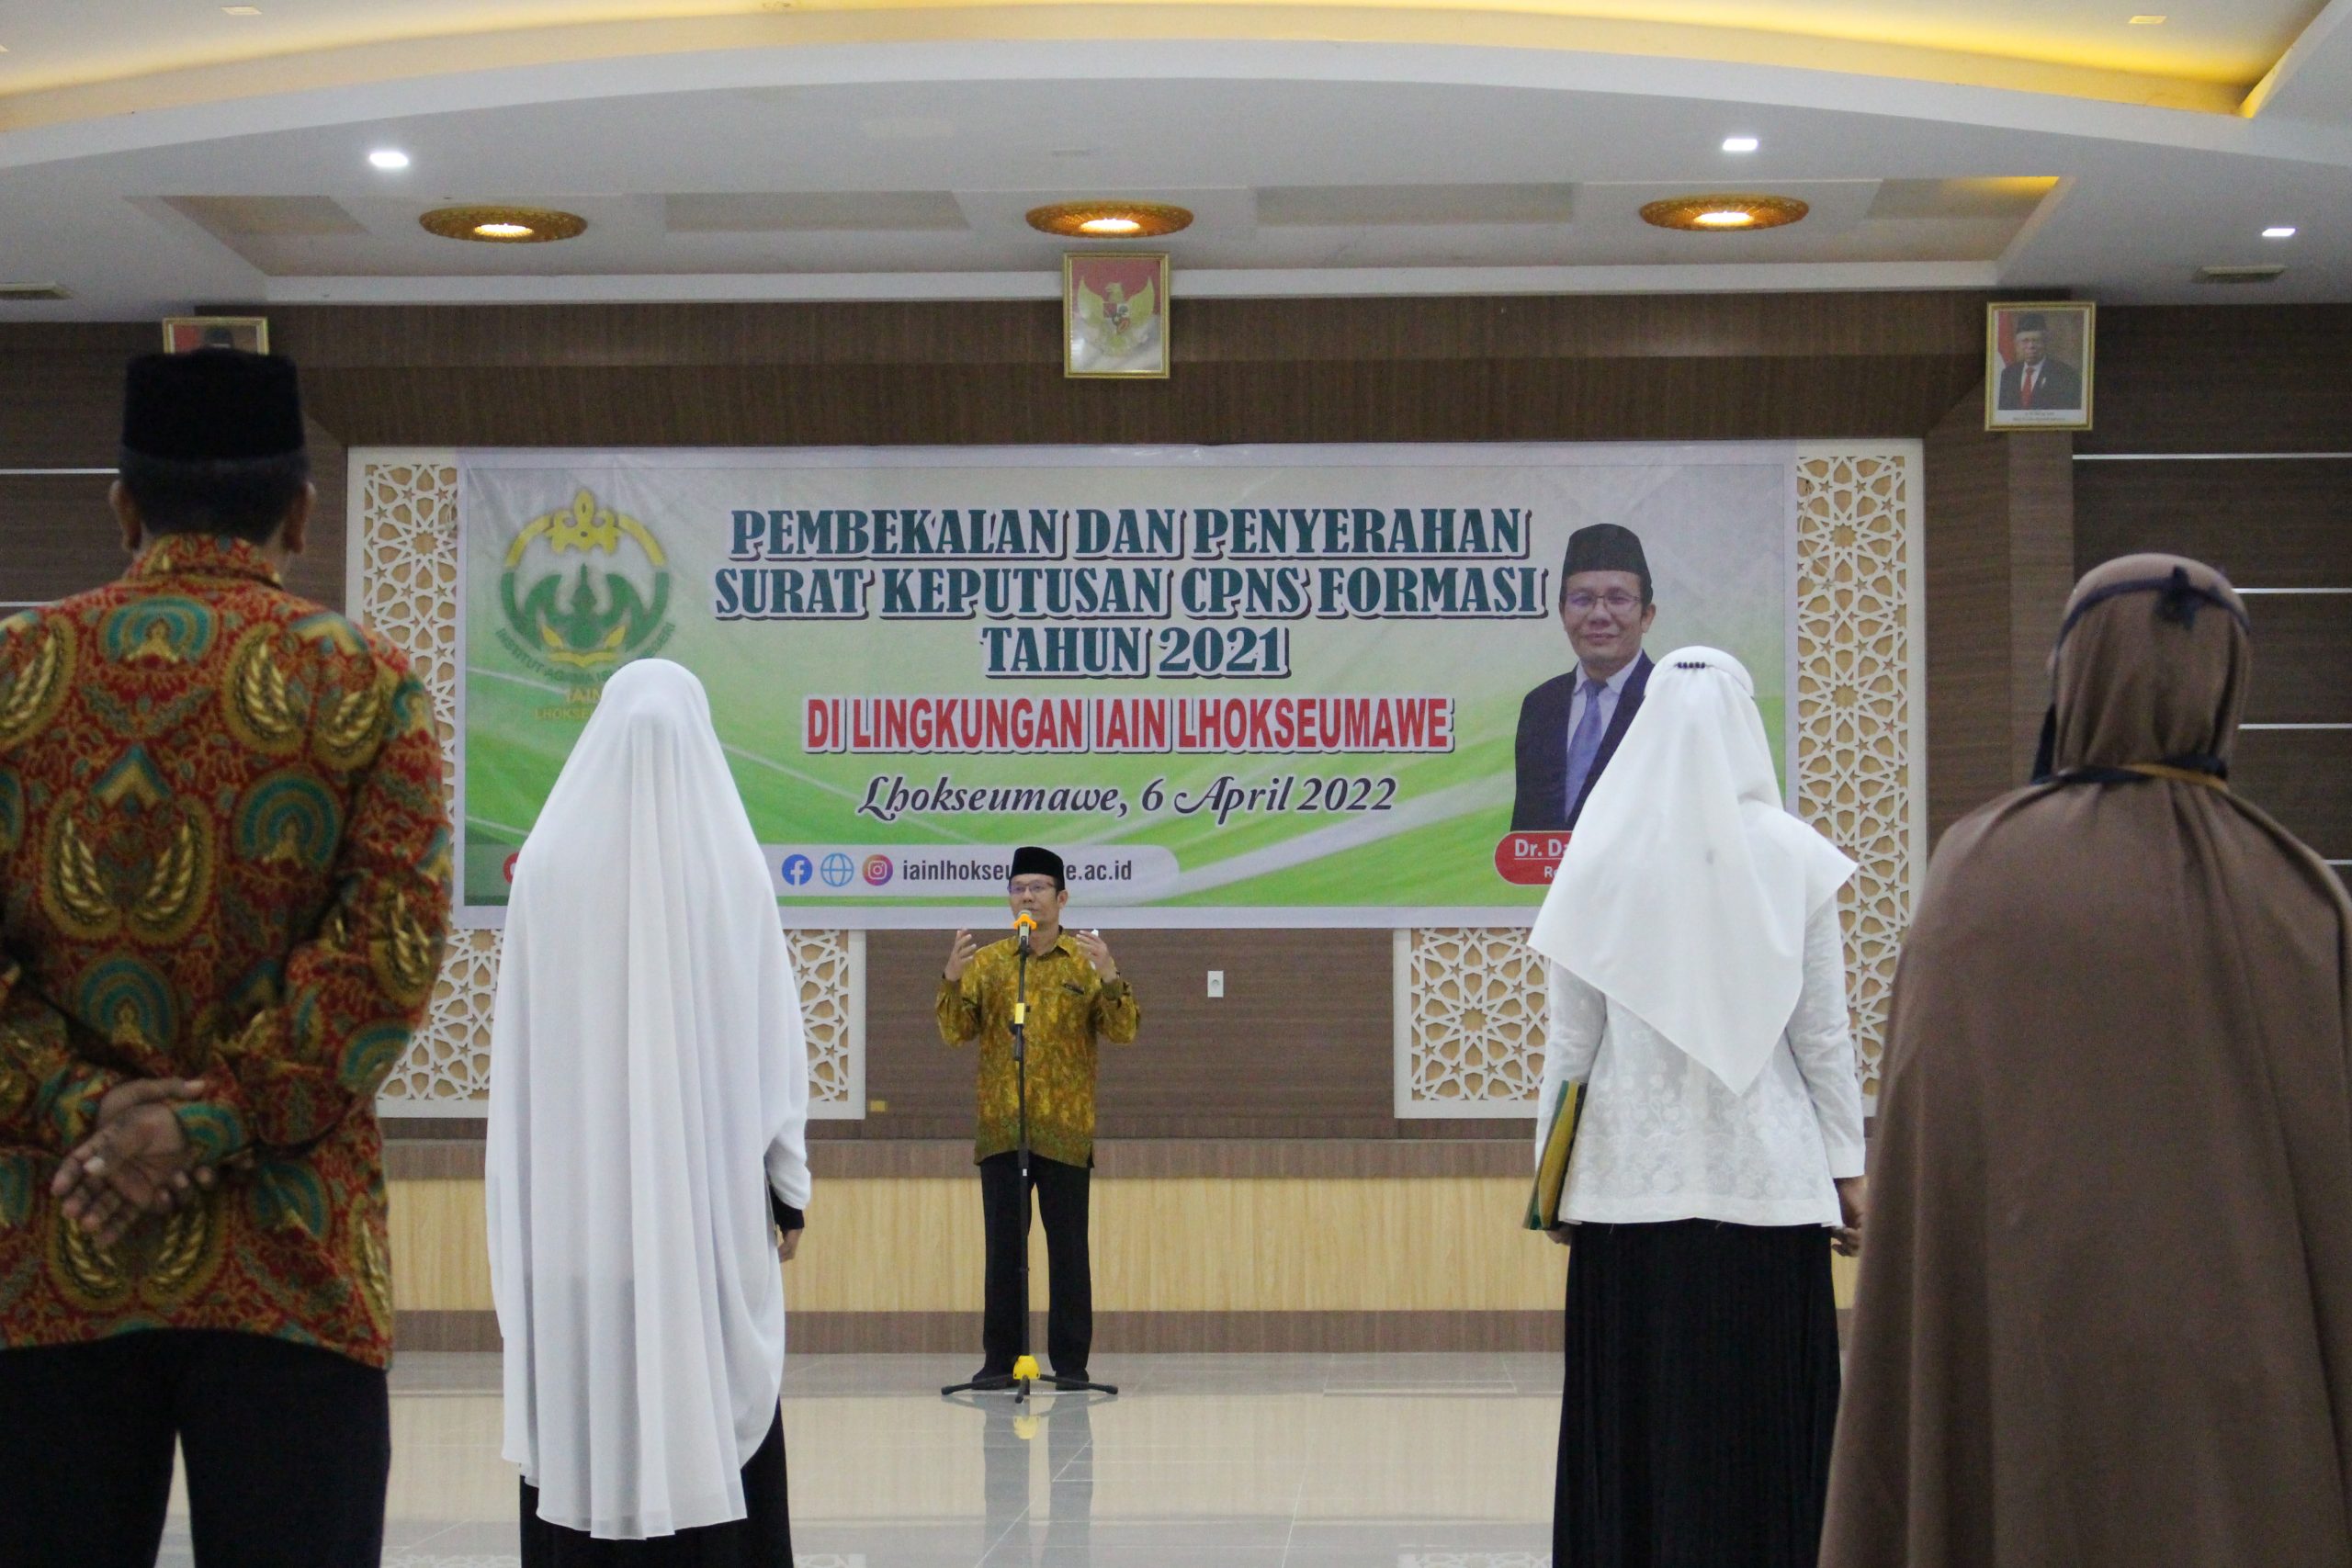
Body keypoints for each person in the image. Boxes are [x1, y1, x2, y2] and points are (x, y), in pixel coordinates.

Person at [0, 348, 451, 1567]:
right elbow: (385, 965)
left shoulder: (16, 672)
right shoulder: (366, 685)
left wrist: (89, 1110)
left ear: (123, 507)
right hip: (288, 1258)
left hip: (48, 1252)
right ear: (300, 513)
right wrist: (202, 1124)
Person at [1822, 555, 2352, 1568]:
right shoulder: (2299, 894)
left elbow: (1933, 1140)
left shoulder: (1982, 868)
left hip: (2026, 1359)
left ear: (2073, 671)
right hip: (2248, 1389)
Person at [1527, 646, 1866, 1568]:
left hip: (1624, 1198)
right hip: (1770, 1198)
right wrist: (1848, 1170)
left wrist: (1548, 1185)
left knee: (1636, 1437)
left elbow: (1570, 1049)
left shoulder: (1596, 855)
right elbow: (1824, 1038)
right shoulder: (1795, 858)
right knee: (1763, 1440)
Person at [487, 658, 812, 1565]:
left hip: (573, 1223)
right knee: (704, 1390)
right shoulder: (731, 874)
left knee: (588, 1396)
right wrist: (787, 1191)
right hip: (702, 1226)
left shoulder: (546, 868)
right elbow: (774, 1052)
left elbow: (518, 1057)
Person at [939, 847, 1138, 1386]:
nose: (1026, 896)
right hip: (1003, 1130)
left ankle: (1071, 1365)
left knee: (1068, 1252)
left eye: (1038, 888)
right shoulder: (991, 963)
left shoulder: (1085, 961)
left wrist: (1111, 975)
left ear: (1062, 897)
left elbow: (1123, 1031)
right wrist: (952, 978)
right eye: (1018, 888)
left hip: (1066, 1132)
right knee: (1004, 1252)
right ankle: (1000, 1362)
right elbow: (956, 1032)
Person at [1511, 523, 1657, 832]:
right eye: (1582, 599)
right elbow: (1526, 834)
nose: (1599, 615)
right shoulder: (1540, 706)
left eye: (1618, 599)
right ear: (1562, 612)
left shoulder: (1670, 702)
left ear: (1646, 615)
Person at [1996, 310, 2084, 411]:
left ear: (2045, 342)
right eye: (2025, 341)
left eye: (2036, 340)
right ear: (2017, 344)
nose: (2031, 346)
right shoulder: (2007, 375)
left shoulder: (2066, 376)